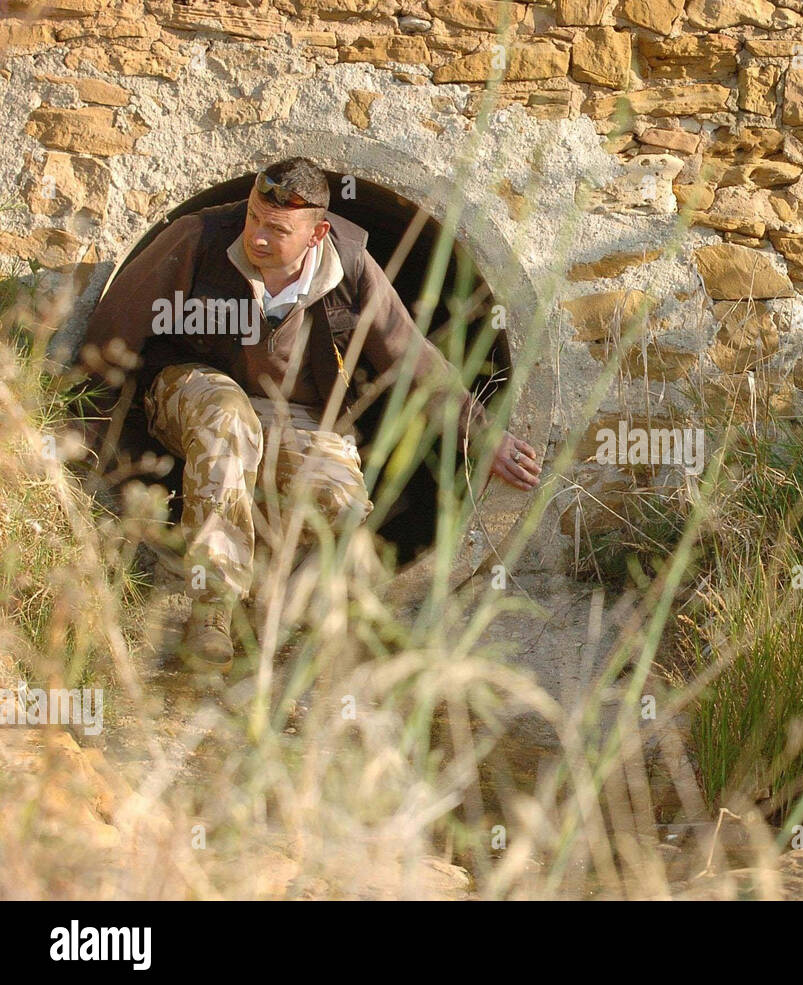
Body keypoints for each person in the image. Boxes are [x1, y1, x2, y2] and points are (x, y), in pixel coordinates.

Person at [70, 157, 541, 674]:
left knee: (342, 508)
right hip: (192, 385)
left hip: (294, 410)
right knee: (228, 420)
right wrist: (83, 440)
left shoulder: (350, 263)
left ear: (317, 233)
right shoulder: (198, 239)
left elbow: (408, 354)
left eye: (277, 229)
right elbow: (112, 333)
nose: (259, 237)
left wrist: (480, 433)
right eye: (254, 218)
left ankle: (274, 615)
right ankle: (212, 610)